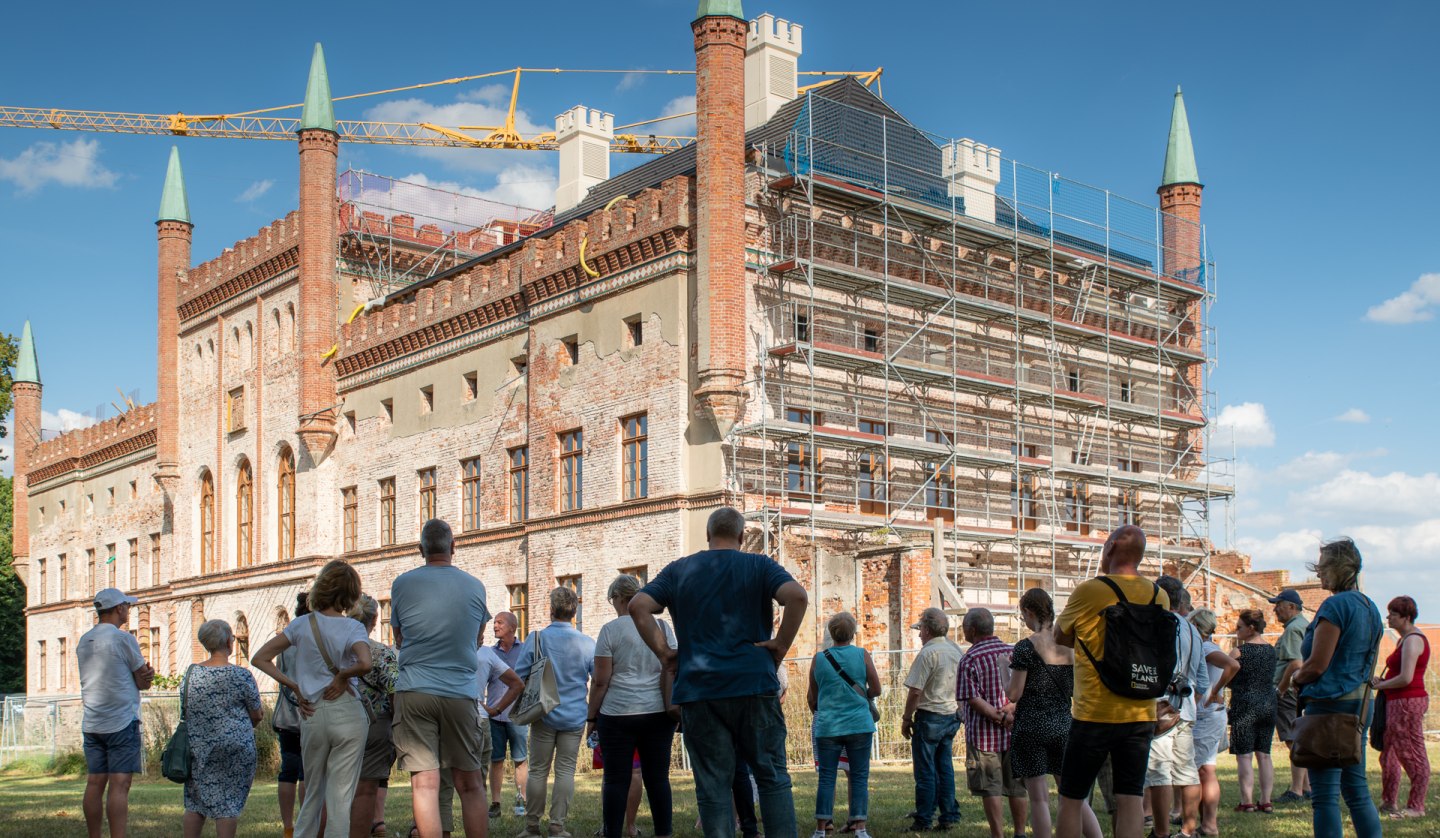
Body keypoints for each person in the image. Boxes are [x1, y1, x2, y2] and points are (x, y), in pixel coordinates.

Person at [629, 507, 808, 838]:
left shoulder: (679, 570)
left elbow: (638, 606)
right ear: (742, 537)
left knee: (712, 785)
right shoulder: (760, 565)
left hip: (700, 689)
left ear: (708, 536)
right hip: (754, 682)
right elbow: (796, 596)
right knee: (772, 777)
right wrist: (780, 644)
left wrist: (665, 653)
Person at [1053, 526, 1170, 838]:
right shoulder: (1160, 595)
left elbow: (1059, 636)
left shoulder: (1091, 590)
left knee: (1072, 796)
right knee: (1130, 795)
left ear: (1111, 548)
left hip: (1095, 711)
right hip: (1141, 710)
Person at [387, 519, 492, 838]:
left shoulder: (402, 584)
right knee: (471, 784)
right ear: (453, 547)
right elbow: (477, 639)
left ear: (421, 550)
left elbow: (400, 638)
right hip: (460, 692)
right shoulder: (475, 586)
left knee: (425, 784)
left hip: (415, 689)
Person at [255, 560, 374, 838]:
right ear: (351, 593)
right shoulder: (352, 628)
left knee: (312, 794)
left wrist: (294, 686)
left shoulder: (300, 625)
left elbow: (260, 658)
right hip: (347, 713)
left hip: (312, 712)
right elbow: (366, 663)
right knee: (340, 799)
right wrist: (344, 676)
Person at [1291, 537, 1384, 838]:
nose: (1318, 574)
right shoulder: (1370, 608)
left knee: (1325, 796)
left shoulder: (1335, 605)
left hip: (1329, 706)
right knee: (1357, 790)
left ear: (1338, 569)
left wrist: (1296, 679)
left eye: (1322, 568)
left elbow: (1318, 664)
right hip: (1360, 705)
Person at [586, 575, 679, 838]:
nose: (612, 604)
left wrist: (591, 718)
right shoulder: (662, 626)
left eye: (612, 599)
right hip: (657, 711)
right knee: (658, 779)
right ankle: (664, 833)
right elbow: (671, 667)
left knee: (616, 780)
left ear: (620, 598)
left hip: (617, 714)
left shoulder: (610, 630)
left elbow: (601, 681)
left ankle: (612, 832)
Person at [1005, 588, 1102, 838]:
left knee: (1039, 799)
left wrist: (1005, 669)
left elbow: (1013, 694)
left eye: (1022, 615)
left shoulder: (1025, 648)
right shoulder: (1071, 646)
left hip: (1031, 726)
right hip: (1064, 725)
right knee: (1072, 795)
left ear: (1028, 612)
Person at [514, 585, 595, 838]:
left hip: (543, 714)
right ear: (574, 612)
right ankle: (558, 826)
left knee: (538, 770)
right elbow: (598, 678)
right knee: (566, 771)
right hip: (575, 717)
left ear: (551, 610)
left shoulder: (537, 639)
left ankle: (532, 826)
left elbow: (519, 675)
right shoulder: (587, 643)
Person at [78, 587, 154, 838]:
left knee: (95, 782)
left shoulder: (85, 640)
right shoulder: (123, 639)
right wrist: (148, 676)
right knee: (120, 785)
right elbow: (142, 680)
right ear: (119, 608)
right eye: (127, 606)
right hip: (121, 720)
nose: (129, 610)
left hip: (92, 721)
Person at [437, 626, 524, 838]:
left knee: (444, 783)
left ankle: (445, 831)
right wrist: (495, 710)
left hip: (447, 717)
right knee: (477, 784)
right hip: (478, 718)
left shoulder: (445, 649)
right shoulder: (486, 654)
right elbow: (517, 684)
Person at [182, 619, 263, 838]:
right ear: (229, 641)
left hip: (199, 747)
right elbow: (257, 714)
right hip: (236, 746)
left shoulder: (190, 675)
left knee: (195, 801)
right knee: (228, 803)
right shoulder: (241, 675)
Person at [1143, 578, 1207, 838]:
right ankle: (1189, 830)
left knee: (1159, 772)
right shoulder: (1193, 630)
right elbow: (1202, 680)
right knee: (1187, 770)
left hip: (1161, 704)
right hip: (1187, 706)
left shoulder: (1156, 624)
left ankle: (1161, 832)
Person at [806, 612, 879, 838]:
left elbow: (812, 697)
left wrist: (824, 710)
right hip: (859, 724)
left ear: (831, 633)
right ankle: (860, 828)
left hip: (828, 726)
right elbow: (876, 689)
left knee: (827, 776)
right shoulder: (862, 655)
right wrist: (860, 697)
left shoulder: (819, 659)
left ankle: (820, 829)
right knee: (858, 776)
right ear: (853, 633)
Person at [956, 608, 1027, 838]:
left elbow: (973, 698)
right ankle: (1019, 832)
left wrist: (997, 717)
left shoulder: (969, 659)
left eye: (964, 627)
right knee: (1017, 785)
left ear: (972, 630)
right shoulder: (1013, 651)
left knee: (990, 786)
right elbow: (1025, 688)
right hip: (1014, 729)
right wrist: (1010, 712)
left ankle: (998, 834)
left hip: (983, 735)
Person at [899, 606, 963, 832]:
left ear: (927, 629)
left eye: (920, 629)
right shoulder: (955, 649)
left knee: (925, 771)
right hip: (951, 714)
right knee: (944, 767)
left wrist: (907, 718)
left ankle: (924, 818)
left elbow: (915, 691)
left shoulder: (927, 653)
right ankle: (949, 814)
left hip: (930, 716)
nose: (918, 634)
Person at [1372, 595, 1429, 818]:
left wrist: (1382, 685)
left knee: (1411, 753)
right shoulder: (1403, 639)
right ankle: (1389, 802)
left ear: (1406, 617)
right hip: (1395, 700)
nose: (1388, 618)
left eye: (1393, 614)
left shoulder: (1414, 639)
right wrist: (1383, 683)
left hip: (1407, 702)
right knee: (1389, 754)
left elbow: (1406, 678)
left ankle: (1416, 806)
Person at [349, 594, 400, 838]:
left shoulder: (334, 648)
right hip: (374, 723)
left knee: (334, 788)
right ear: (374, 620)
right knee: (367, 790)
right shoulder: (381, 652)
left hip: (336, 720)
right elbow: (394, 690)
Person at [1187, 609, 1238, 838]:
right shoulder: (1210, 647)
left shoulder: (1207, 648)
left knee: (1199, 770)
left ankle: (1204, 825)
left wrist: (1217, 691)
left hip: (1207, 715)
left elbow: (1233, 665)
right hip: (1210, 715)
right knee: (1204, 770)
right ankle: (1207, 825)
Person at [1226, 609, 1277, 814]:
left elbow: (1227, 677)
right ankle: (1266, 801)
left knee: (1244, 755)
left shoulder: (1239, 652)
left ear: (1251, 628)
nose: (1236, 630)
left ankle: (1246, 801)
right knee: (1264, 754)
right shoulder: (1271, 651)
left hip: (1245, 704)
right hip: (1268, 703)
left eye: (1239, 627)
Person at [276, 593, 313, 838]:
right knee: (306, 773)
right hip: (309, 713)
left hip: (287, 714)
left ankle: (289, 826)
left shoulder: (285, 643)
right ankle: (303, 823)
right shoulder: (313, 640)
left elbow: (280, 674)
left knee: (288, 770)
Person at [1269, 588, 1310, 804]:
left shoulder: (1294, 629)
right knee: (1298, 738)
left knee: (1292, 738)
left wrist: (1281, 687)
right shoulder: (1303, 625)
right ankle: (1306, 786)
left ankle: (1296, 790)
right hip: (1298, 690)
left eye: (1279, 604)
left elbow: (1295, 662)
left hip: (1288, 691)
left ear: (1291, 607)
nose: (1275, 609)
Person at [488, 613, 530, 820]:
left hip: (518, 716)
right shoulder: (489, 653)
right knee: (495, 760)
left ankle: (521, 800)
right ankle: (495, 803)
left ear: (513, 627)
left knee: (520, 759)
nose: (495, 626)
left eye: (499, 622)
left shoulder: (524, 651)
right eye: (494, 622)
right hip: (494, 716)